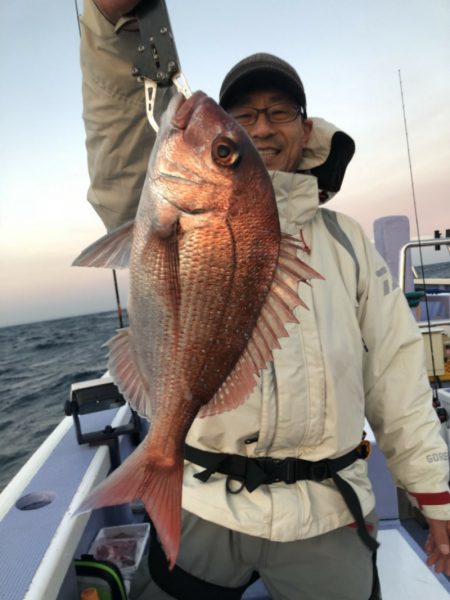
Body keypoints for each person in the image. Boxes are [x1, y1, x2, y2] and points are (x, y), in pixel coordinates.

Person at [80, 1, 450, 598]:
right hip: (202, 497)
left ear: (306, 129)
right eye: (242, 115)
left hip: (326, 510)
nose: (261, 125)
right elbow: (118, 133)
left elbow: (396, 376)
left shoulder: (346, 242)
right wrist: (110, 24)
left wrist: (433, 494)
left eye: (280, 111)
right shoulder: (158, 203)